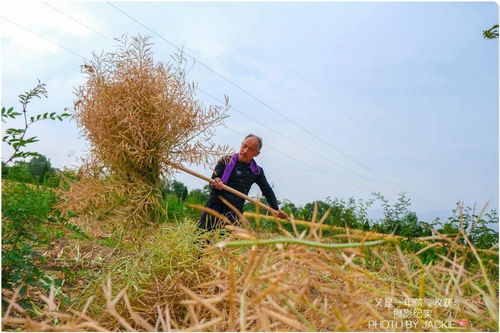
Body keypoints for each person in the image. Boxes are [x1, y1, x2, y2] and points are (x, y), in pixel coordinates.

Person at [198, 134, 289, 230]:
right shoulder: (226, 160)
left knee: (222, 243)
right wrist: (216, 182)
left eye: (251, 149)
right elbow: (213, 181)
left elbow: (267, 191)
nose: (245, 151)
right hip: (213, 207)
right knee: (202, 240)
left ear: (257, 154)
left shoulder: (256, 171)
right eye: (244, 146)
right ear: (241, 145)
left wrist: (275, 209)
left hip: (233, 213)